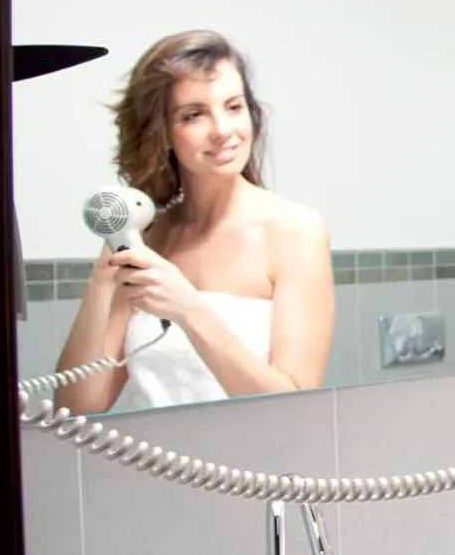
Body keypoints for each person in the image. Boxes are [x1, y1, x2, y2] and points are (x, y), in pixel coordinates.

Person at [55, 30, 334, 414]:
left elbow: (294, 408)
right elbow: (78, 406)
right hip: (152, 467)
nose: (222, 130)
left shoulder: (295, 231)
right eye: (194, 115)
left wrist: (189, 309)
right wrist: (102, 277)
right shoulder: (147, 239)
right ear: (163, 132)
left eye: (233, 107)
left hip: (258, 467)